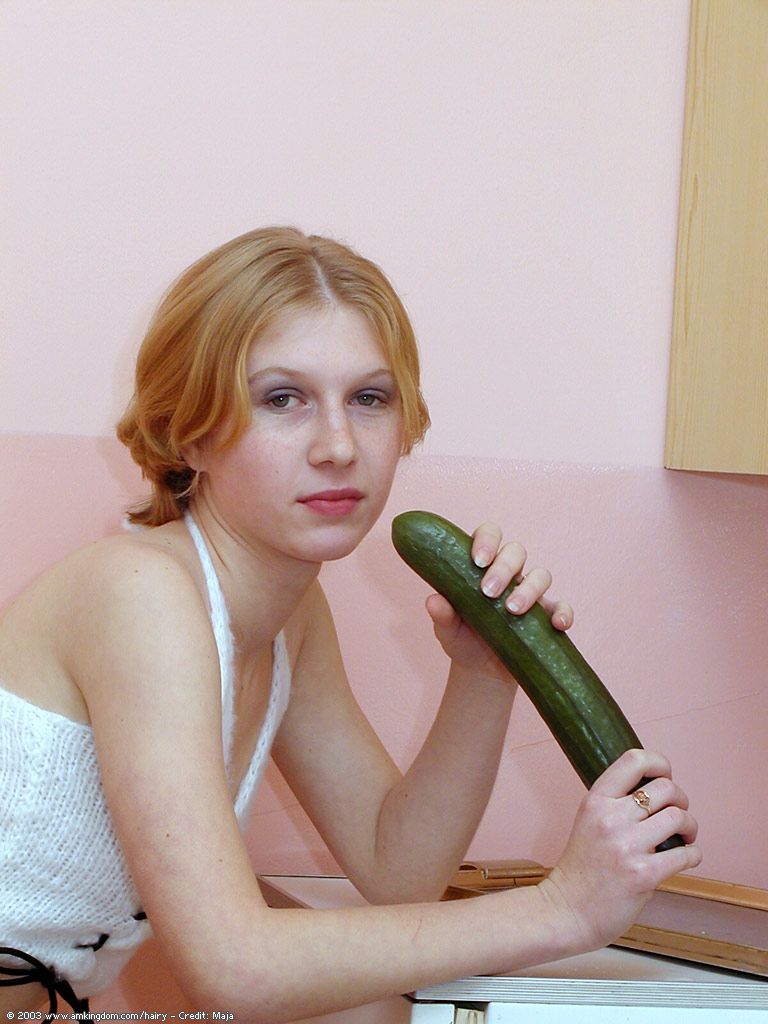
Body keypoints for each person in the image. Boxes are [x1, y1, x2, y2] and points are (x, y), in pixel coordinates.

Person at [0, 227, 700, 1021]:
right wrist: (563, 909)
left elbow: (396, 867)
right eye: (282, 398)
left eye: (369, 399)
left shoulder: (289, 615)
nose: (338, 446)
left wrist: (483, 671)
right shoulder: (141, 594)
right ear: (192, 431)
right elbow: (231, 968)